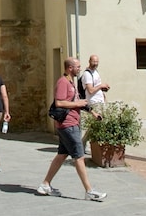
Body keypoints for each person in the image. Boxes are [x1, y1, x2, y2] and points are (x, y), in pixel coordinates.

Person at [37, 57, 107, 202]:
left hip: (71, 124)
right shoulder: (63, 82)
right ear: (70, 68)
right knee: (79, 156)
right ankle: (89, 191)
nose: (80, 69)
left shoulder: (71, 82)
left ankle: (45, 185)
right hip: (68, 125)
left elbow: (77, 101)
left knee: (61, 155)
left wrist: (93, 113)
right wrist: (77, 103)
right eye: (78, 66)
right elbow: (59, 102)